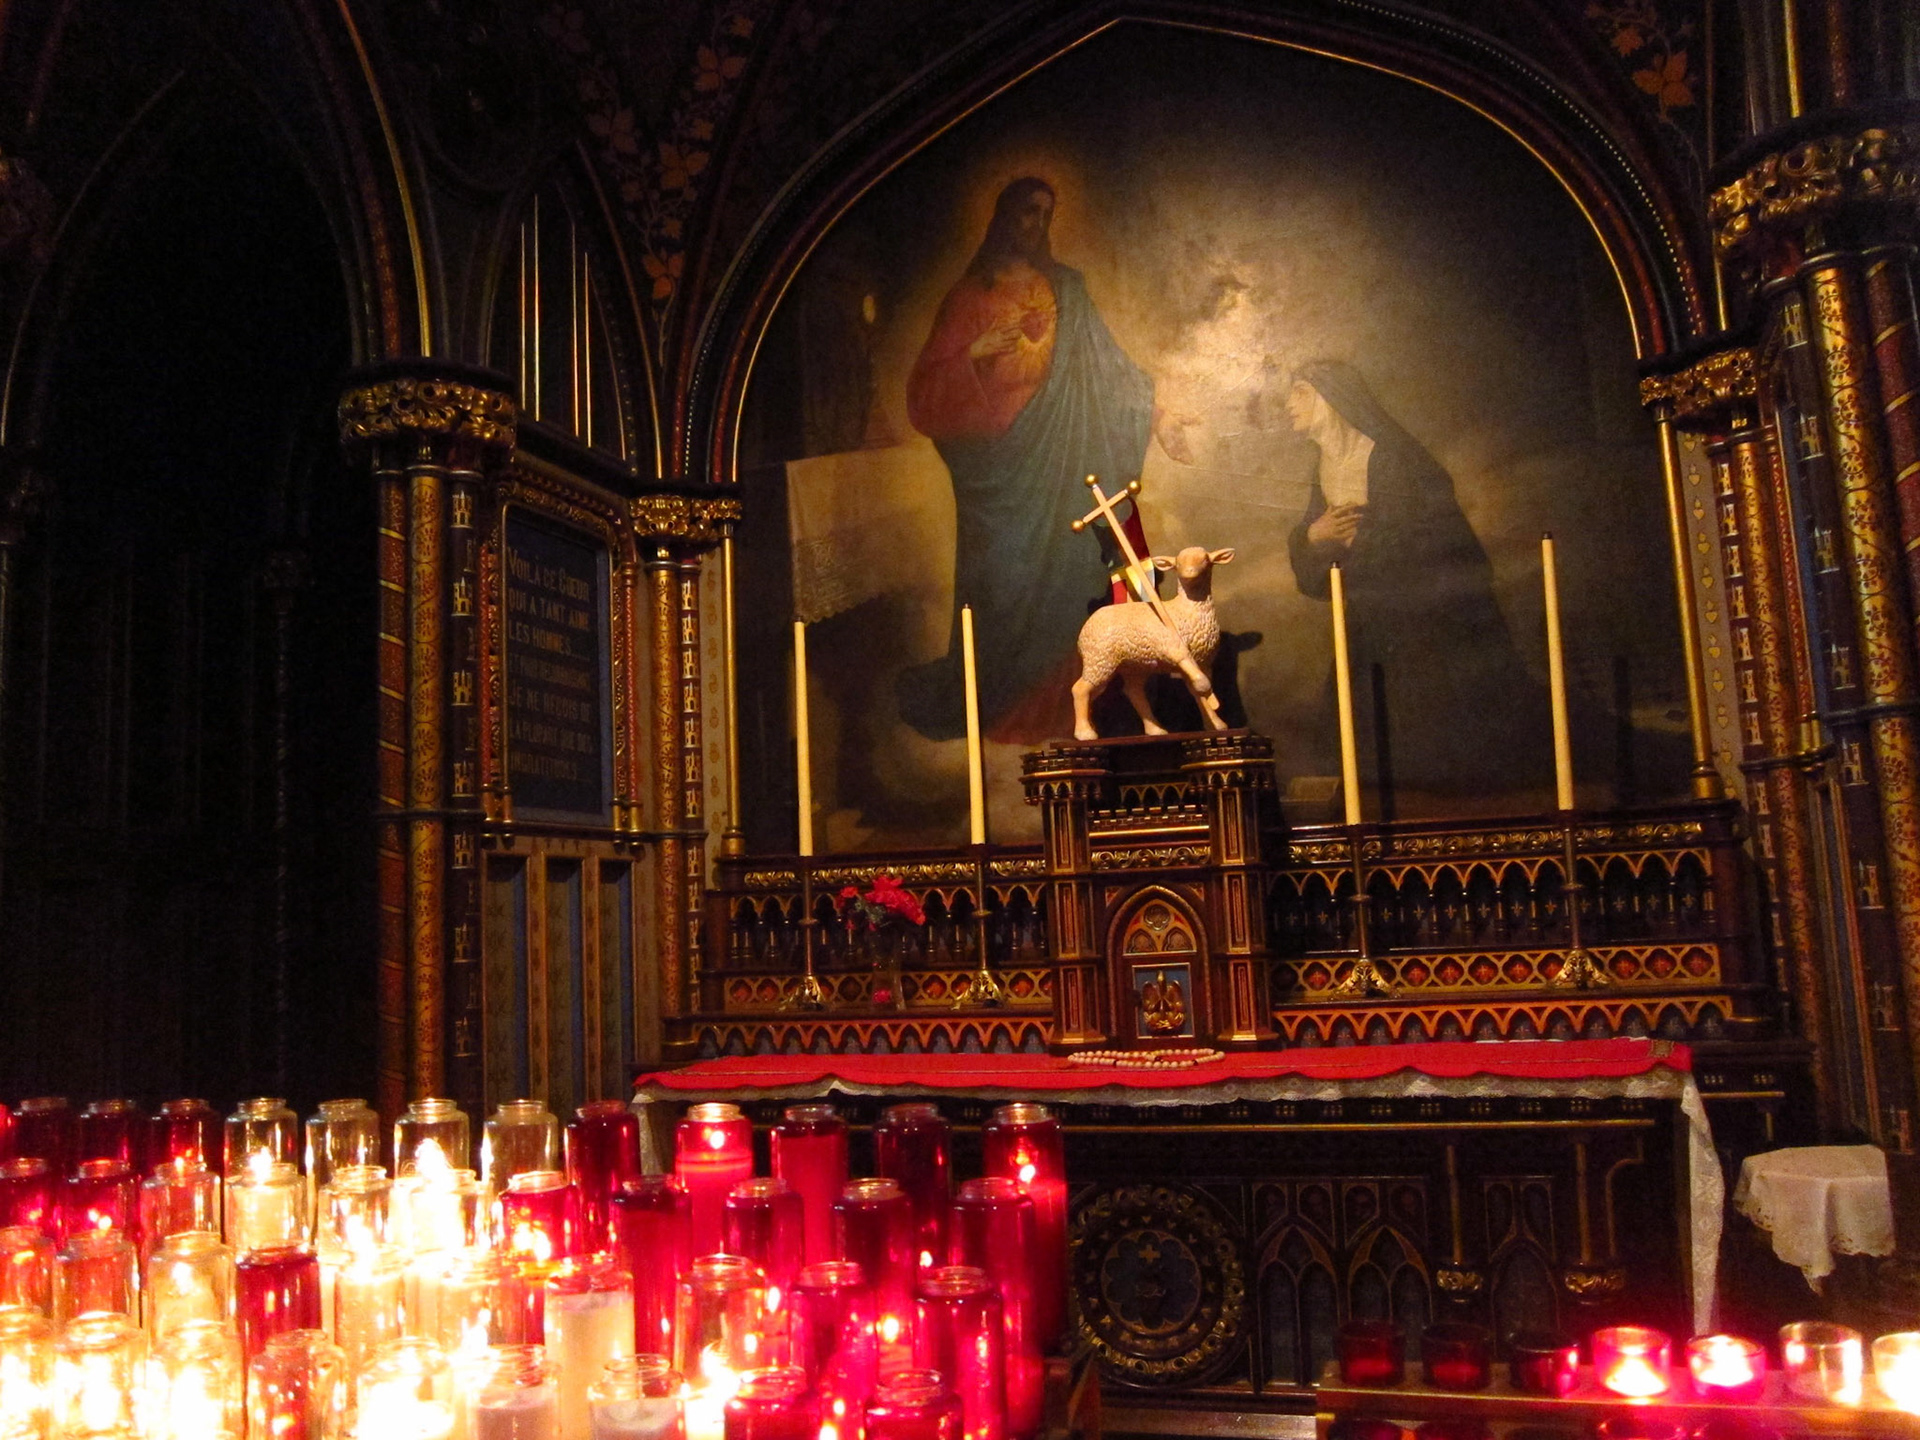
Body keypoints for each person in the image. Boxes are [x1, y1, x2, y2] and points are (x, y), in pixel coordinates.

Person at [899, 177, 1189, 743]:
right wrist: (974, 355)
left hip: (1063, 466)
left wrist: (1163, 417)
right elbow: (925, 394)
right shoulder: (968, 297)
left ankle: (1074, 711)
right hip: (1000, 476)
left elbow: (1111, 372)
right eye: (1026, 212)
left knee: (1069, 579)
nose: (1035, 224)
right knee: (1003, 584)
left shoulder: (1068, 290)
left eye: (1045, 214)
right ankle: (1001, 702)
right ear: (1003, 218)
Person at [1286, 360, 1548, 798]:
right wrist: (1315, 536)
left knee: (1434, 729)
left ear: (1329, 397)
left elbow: (1431, 535)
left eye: (1297, 391)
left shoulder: (1392, 457)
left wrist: (1361, 542)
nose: (1287, 405)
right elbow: (1319, 549)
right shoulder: (1325, 465)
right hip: (1373, 619)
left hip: (1429, 618)